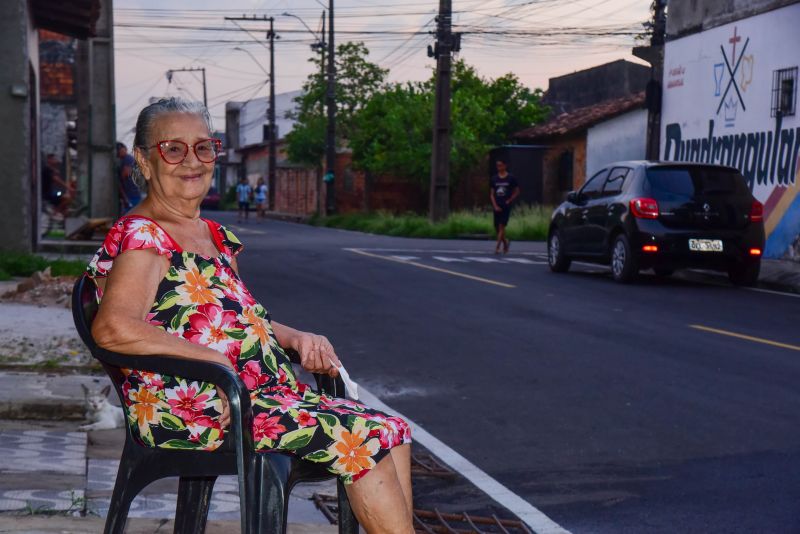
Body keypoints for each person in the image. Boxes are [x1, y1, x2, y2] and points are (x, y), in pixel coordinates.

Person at [86, 97, 414, 533]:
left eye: (204, 148)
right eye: (174, 149)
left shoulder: (213, 236)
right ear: (145, 162)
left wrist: (296, 337)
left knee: (393, 431)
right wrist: (214, 361)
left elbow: (241, 318)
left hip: (249, 394)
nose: (192, 161)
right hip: (194, 406)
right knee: (358, 438)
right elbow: (112, 327)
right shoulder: (144, 238)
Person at [490, 159, 520, 254]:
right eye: (497, 165)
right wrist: (494, 205)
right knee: (497, 227)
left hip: (506, 205)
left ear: (505, 166)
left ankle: (497, 247)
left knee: (502, 226)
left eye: (500, 165)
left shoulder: (511, 178)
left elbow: (517, 191)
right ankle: (505, 244)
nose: (499, 167)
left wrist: (509, 200)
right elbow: (491, 194)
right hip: (497, 204)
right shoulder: (494, 179)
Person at [117, 142, 141, 212]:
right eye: (119, 150)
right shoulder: (123, 160)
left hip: (132, 195)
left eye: (121, 149)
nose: (120, 151)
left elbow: (125, 174)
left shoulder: (128, 159)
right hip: (130, 195)